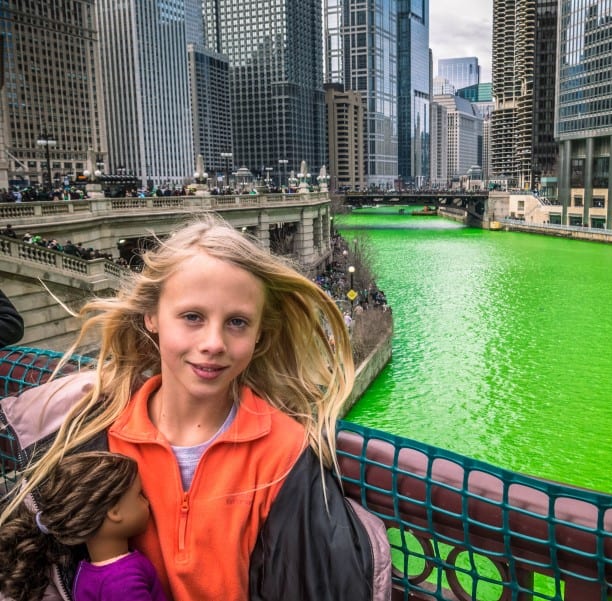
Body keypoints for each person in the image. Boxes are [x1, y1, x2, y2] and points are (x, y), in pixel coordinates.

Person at [0, 214, 390, 600]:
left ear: (259, 336)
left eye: (237, 322)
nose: (213, 342)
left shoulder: (284, 453)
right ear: (151, 316)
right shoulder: (94, 428)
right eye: (192, 317)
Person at [0, 452, 167, 601]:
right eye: (139, 494)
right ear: (114, 511)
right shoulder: (123, 582)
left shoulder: (85, 573)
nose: (147, 502)